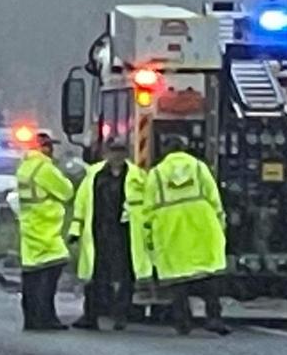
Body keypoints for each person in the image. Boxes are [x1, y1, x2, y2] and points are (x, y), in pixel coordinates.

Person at [143, 135, 230, 336]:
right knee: (208, 278)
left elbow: (147, 209)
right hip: (202, 227)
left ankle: (183, 321)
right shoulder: (199, 168)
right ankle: (214, 318)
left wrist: (150, 240)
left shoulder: (156, 174)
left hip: (170, 229)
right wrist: (220, 225)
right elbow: (214, 198)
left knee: (178, 281)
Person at [68, 138, 151, 331]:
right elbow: (81, 204)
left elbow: (147, 206)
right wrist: (75, 230)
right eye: (114, 151)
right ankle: (91, 316)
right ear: (107, 152)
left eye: (121, 151)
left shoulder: (137, 176)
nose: (117, 155)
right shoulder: (94, 175)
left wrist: (149, 233)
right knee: (95, 276)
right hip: (98, 233)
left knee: (125, 277)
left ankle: (121, 315)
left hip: (126, 234)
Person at [15, 132, 75, 330]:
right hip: (47, 229)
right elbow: (67, 191)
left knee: (31, 277)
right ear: (45, 148)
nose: (52, 151)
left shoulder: (24, 167)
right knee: (49, 276)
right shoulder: (44, 168)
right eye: (50, 147)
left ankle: (32, 318)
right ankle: (46, 318)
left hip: (30, 228)